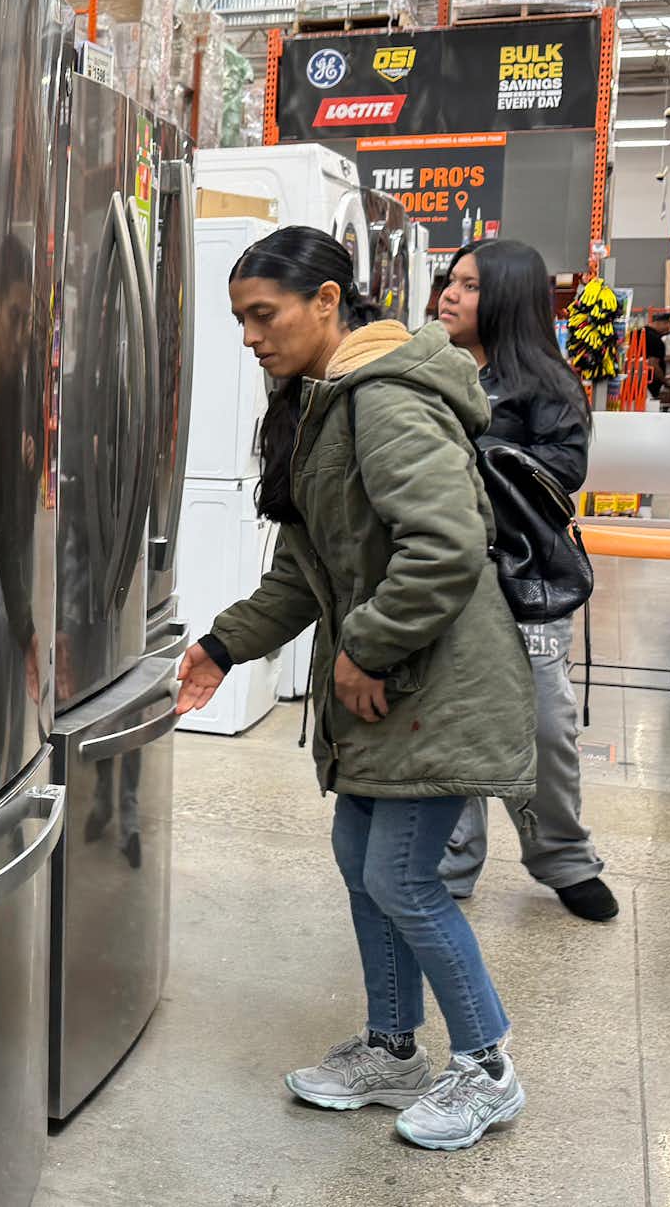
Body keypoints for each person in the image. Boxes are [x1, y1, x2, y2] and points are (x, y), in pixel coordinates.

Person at [176, 227, 538, 1152]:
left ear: (328, 300)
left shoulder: (383, 403)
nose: (252, 336)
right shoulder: (322, 402)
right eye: (241, 320)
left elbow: (446, 546)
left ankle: (487, 1064)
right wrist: (223, 645)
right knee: (359, 854)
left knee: (404, 875)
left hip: (434, 683)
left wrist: (366, 650)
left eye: (266, 314)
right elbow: (308, 569)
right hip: (392, 689)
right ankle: (392, 1046)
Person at [431, 240, 619, 923]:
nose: (450, 294)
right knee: (453, 722)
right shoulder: (433, 368)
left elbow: (564, 470)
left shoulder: (544, 382)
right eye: (450, 281)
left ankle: (563, 858)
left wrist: (473, 451)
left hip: (525, 578)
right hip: (446, 576)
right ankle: (450, 863)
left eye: (470, 285)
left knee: (544, 724)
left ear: (507, 296)